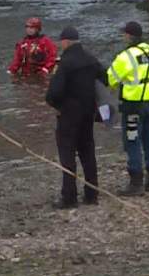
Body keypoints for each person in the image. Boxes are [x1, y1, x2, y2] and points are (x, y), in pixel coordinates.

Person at [45, 27, 106, 209]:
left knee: (67, 155)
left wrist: (56, 105)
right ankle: (91, 194)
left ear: (65, 42)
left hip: (68, 115)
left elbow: (53, 93)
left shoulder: (65, 63)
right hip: (88, 113)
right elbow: (106, 78)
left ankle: (69, 197)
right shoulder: (90, 59)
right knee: (88, 153)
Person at [107, 21, 149, 196]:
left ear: (129, 36)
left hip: (133, 106)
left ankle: (135, 182)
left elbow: (110, 79)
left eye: (124, 34)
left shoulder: (126, 56)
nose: (123, 37)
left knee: (132, 141)